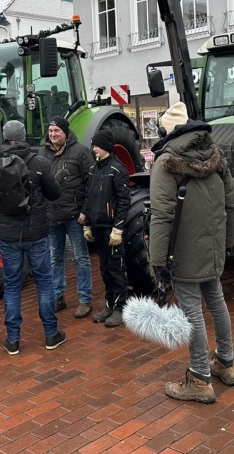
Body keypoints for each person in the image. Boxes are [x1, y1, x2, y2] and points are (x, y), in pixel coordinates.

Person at [148, 101, 234, 404]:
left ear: (168, 131)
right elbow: (232, 203)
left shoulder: (166, 163)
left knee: (191, 311)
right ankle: (225, 362)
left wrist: (157, 259)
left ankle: (200, 378)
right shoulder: (215, 155)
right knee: (216, 299)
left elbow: (161, 214)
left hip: (185, 248)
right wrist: (226, 242)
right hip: (212, 244)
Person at [0, 120, 63, 355]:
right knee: (44, 282)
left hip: (7, 235)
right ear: (25, 136)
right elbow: (55, 194)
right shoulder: (40, 162)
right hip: (37, 234)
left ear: (4, 137)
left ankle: (13, 339)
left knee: (12, 286)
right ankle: (51, 334)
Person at [39, 116, 94, 318]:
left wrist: (85, 211)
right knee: (55, 258)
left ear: (65, 133)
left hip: (74, 215)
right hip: (52, 215)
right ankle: (57, 296)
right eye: (51, 131)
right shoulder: (43, 152)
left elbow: (91, 183)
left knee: (81, 257)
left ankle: (85, 299)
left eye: (57, 131)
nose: (53, 135)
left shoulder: (80, 153)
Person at [79, 128, 131, 328]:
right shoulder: (94, 170)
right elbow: (89, 198)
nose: (94, 149)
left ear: (106, 147)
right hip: (98, 228)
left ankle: (121, 308)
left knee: (116, 268)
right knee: (104, 269)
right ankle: (110, 304)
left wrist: (118, 229)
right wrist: (87, 224)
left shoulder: (117, 170)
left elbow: (124, 201)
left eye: (97, 146)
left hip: (112, 229)